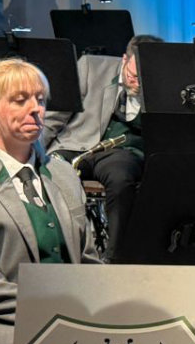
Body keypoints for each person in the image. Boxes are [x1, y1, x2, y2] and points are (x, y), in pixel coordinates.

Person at [0, 59, 100, 344]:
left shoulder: (62, 174)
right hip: (8, 328)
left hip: (73, 324)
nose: (36, 110)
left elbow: (89, 259)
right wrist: (51, 312)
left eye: (40, 100)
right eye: (20, 100)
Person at [42, 34, 162, 260]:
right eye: (133, 76)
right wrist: (32, 151)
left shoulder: (162, 84)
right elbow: (56, 115)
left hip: (121, 152)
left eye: (144, 78)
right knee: (50, 170)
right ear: (124, 59)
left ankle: (114, 257)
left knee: (120, 178)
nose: (138, 83)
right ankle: (58, 250)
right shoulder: (90, 67)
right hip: (77, 144)